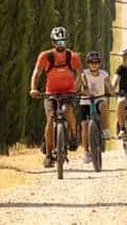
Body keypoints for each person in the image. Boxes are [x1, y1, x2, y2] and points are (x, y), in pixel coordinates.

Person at [29, 26, 82, 167]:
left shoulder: (73, 56)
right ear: (53, 42)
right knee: (51, 119)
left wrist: (75, 89)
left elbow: (79, 74)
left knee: (67, 110)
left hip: (68, 92)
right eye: (58, 42)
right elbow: (37, 73)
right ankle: (48, 154)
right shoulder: (45, 56)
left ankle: (73, 134)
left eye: (63, 42)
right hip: (50, 93)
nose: (61, 45)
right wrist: (33, 88)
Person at [79, 51, 113, 163]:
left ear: (99, 63)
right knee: (84, 126)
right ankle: (85, 152)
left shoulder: (104, 74)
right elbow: (77, 87)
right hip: (86, 101)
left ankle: (105, 129)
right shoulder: (83, 73)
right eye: (91, 62)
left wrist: (113, 92)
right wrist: (82, 92)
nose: (94, 64)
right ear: (88, 63)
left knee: (104, 105)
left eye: (96, 62)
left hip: (99, 99)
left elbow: (109, 85)